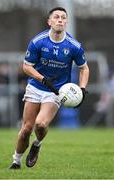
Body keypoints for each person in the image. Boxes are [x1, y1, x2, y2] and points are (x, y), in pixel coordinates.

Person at [10, 7, 89, 169]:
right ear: (49, 22)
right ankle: (16, 161)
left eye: (63, 18)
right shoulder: (38, 41)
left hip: (57, 91)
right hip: (36, 87)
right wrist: (43, 79)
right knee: (26, 129)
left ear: (66, 22)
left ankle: (37, 144)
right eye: (57, 17)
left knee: (40, 125)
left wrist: (82, 89)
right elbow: (26, 66)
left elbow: (84, 68)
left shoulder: (74, 46)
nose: (60, 20)